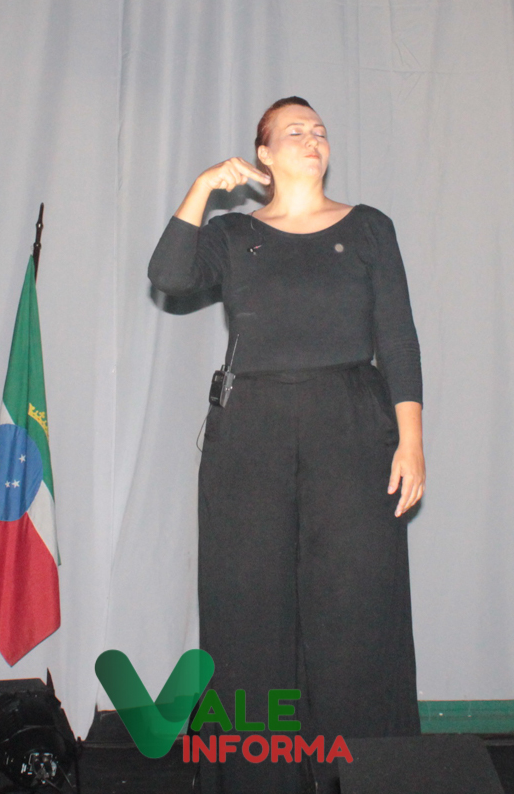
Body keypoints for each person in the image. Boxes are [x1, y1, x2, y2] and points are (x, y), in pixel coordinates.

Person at [147, 97, 424, 794]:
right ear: (263, 155)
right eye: (294, 130)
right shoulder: (235, 234)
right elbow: (170, 275)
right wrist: (203, 188)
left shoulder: (368, 227)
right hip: (252, 434)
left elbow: (397, 336)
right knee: (248, 611)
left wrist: (412, 441)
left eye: (319, 130)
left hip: (351, 426)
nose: (312, 138)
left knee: (358, 607)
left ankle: (363, 777)